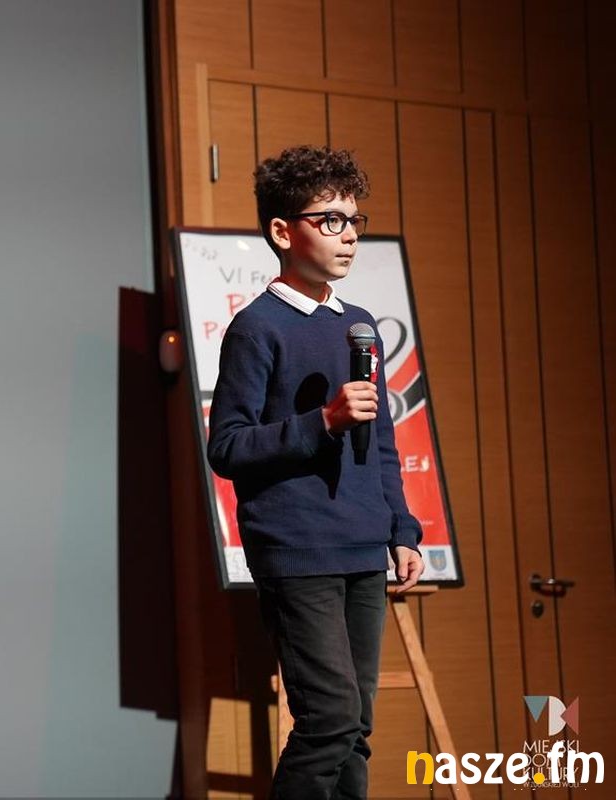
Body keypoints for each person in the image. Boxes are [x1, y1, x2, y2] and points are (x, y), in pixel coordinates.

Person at [206, 144, 425, 799]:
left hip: (363, 546)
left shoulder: (359, 326)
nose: (349, 235)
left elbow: (380, 441)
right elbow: (227, 447)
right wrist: (320, 423)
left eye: (354, 221)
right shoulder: (257, 328)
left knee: (355, 728)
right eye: (331, 220)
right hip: (298, 549)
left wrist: (402, 529)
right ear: (283, 231)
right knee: (328, 720)